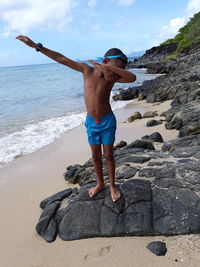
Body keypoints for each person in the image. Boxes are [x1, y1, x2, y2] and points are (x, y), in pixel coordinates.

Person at [16, 35, 136, 202]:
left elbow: (132, 78)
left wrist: (111, 69)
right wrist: (36, 46)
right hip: (91, 122)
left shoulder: (113, 77)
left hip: (107, 121)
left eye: (120, 71)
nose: (116, 74)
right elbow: (61, 58)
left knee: (108, 155)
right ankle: (100, 184)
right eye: (117, 67)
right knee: (95, 155)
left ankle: (113, 185)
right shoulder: (88, 70)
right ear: (107, 60)